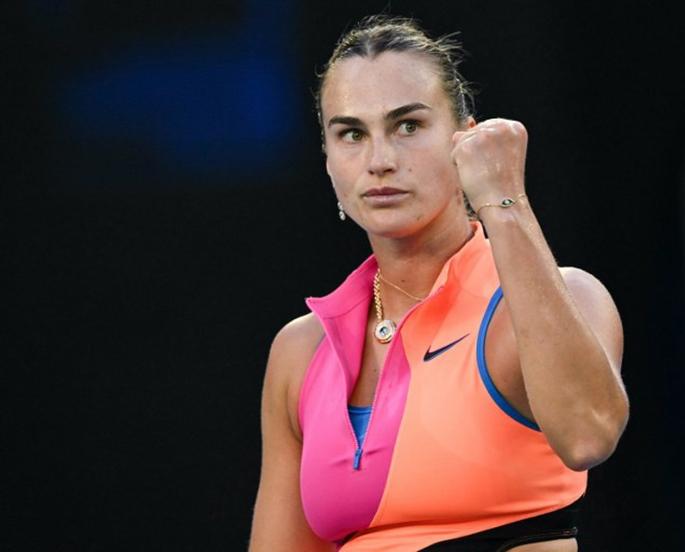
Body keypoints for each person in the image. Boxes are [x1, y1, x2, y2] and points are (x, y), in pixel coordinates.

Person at [249, 15, 628, 552]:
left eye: (407, 126)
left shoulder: (559, 299)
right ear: (329, 160)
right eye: (351, 134)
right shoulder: (299, 351)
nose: (379, 161)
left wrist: (504, 199)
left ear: (465, 139)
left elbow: (589, 434)